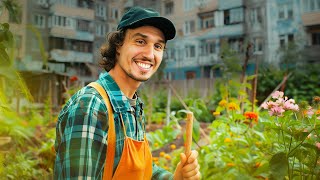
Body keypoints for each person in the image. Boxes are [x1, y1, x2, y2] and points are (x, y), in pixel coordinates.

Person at [54, 6, 201, 180]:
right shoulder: (92, 106)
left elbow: (140, 171)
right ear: (118, 45)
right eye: (140, 41)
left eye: (158, 46)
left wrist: (174, 178)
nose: (149, 54)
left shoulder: (132, 105)